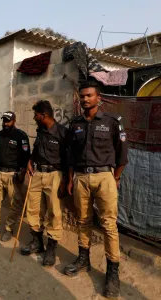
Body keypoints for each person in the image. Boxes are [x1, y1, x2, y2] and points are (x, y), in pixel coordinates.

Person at [63, 82, 128, 299]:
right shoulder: (75, 124)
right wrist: (71, 178)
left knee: (109, 225)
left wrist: (115, 177)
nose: (85, 100)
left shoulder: (111, 122)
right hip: (81, 177)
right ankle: (83, 259)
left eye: (89, 96)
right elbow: (71, 153)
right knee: (83, 221)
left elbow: (122, 154)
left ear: (98, 98)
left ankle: (112, 272)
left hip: (104, 177)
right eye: (82, 96)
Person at [20, 100, 68, 267]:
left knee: (54, 211)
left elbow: (69, 159)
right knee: (33, 208)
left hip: (55, 175)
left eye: (36, 115)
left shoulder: (62, 133)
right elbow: (36, 150)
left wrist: (65, 182)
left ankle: (51, 248)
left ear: (44, 115)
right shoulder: (40, 130)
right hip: (37, 174)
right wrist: (30, 161)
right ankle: (37, 242)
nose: (34, 117)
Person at [0, 111, 30, 242]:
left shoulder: (21, 136)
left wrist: (22, 174)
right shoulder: (1, 135)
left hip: (12, 174)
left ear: (14, 121)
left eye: (8, 121)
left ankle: (9, 228)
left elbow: (26, 158)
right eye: (4, 121)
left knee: (14, 204)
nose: (5, 123)